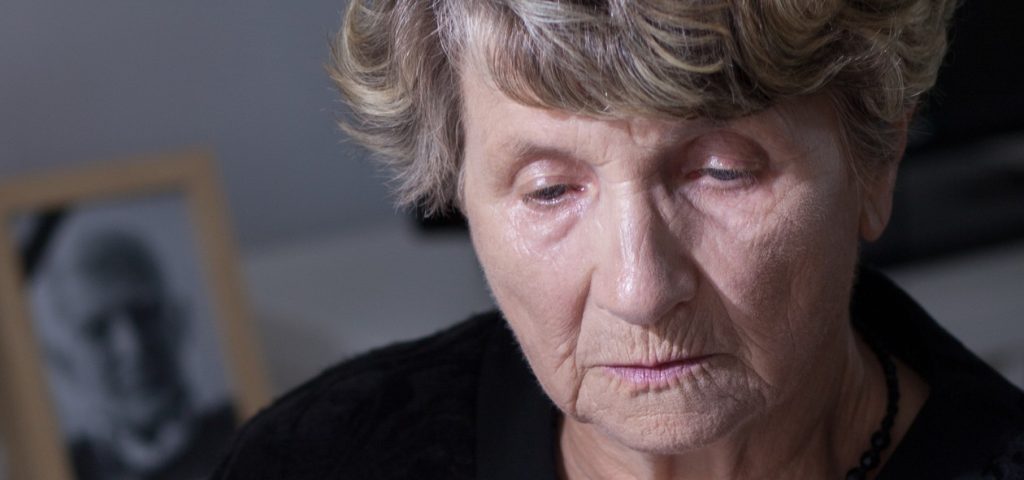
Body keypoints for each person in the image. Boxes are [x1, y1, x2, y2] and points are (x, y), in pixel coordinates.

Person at [213, 1, 1024, 478]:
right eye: (550, 190)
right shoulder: (313, 462)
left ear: (876, 161)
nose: (639, 288)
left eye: (722, 172)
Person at [35, 228, 235, 480]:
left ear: (178, 323)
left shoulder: (251, 432)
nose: (132, 348)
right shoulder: (53, 468)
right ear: (63, 363)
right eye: (97, 330)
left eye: (144, 316)